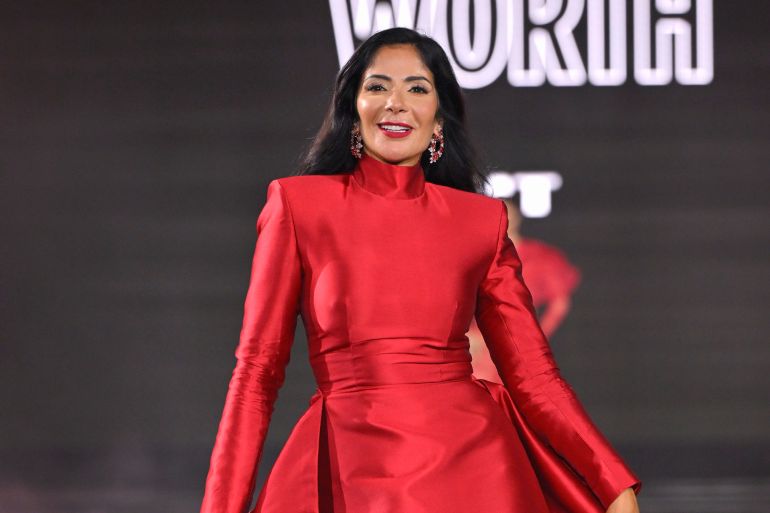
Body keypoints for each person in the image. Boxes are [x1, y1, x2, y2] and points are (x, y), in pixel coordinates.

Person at [199, 27, 642, 513]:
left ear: (438, 122)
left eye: (417, 88)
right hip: (350, 470)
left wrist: (612, 484)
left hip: (476, 474)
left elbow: (534, 376)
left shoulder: (480, 222)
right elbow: (256, 375)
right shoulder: (298, 206)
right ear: (354, 111)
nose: (395, 102)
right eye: (377, 86)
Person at [470, 198, 583, 384]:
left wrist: (534, 340)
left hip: (516, 343)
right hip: (478, 346)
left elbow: (559, 305)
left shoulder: (541, 257)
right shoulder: (476, 255)